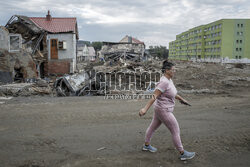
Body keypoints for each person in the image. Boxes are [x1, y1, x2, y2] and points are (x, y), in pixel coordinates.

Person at [139, 60, 195, 161]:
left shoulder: (169, 80)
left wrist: (182, 99)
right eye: (173, 70)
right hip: (164, 110)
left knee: (153, 127)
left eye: (175, 69)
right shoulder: (164, 82)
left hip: (160, 108)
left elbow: (172, 93)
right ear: (166, 70)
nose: (175, 71)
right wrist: (144, 109)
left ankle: (146, 145)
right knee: (175, 130)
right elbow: (154, 96)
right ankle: (182, 153)